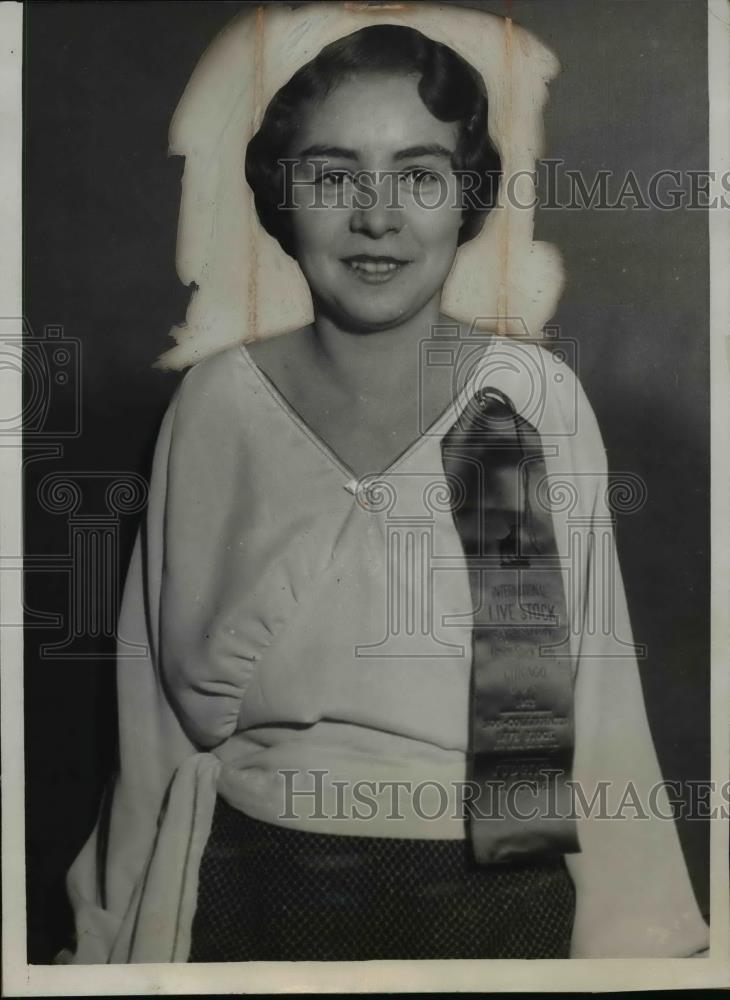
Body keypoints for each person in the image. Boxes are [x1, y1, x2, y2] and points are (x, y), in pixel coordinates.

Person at [63, 23, 709, 963]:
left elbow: (587, 712)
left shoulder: (519, 406)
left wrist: (636, 950)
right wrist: (110, 938)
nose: (376, 216)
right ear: (282, 198)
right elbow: (154, 723)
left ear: (468, 197)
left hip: (491, 898)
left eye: (419, 173)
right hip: (242, 886)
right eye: (332, 175)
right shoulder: (218, 405)